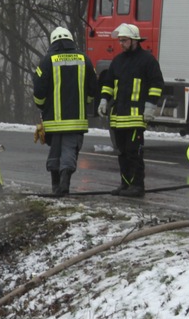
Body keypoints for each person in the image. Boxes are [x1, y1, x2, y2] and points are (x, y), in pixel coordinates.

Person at [97, 23, 163, 197]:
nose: (121, 43)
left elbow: (157, 84)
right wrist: (104, 100)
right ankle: (125, 185)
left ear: (134, 40)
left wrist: (150, 107)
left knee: (134, 153)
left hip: (136, 117)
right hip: (119, 117)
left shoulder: (147, 61)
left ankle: (137, 186)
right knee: (122, 153)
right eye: (120, 40)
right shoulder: (118, 61)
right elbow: (108, 84)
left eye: (124, 40)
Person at [32, 26, 96, 196]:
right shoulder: (85, 59)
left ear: (53, 42)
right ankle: (65, 181)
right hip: (76, 120)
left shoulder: (47, 61)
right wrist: (86, 103)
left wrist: (42, 106)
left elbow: (38, 90)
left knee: (56, 151)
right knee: (69, 149)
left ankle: (56, 186)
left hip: (53, 119)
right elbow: (93, 88)